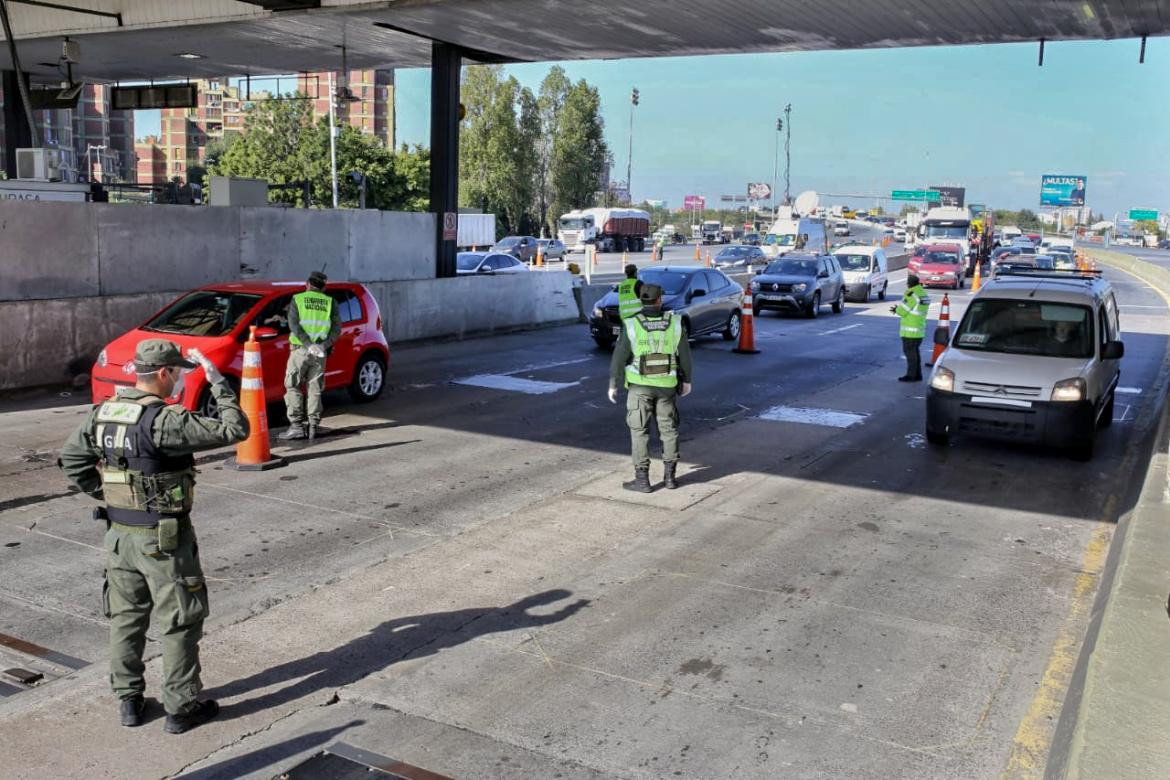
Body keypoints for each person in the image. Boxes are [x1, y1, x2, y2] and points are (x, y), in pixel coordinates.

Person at [57, 339, 249, 734]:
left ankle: (129, 701)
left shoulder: (104, 413)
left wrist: (107, 493)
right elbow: (235, 428)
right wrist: (216, 380)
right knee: (180, 619)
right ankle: (181, 708)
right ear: (164, 373)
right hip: (164, 539)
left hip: (118, 535)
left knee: (126, 619)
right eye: (177, 373)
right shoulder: (164, 420)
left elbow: (72, 458)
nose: (178, 380)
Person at [608, 283, 693, 493]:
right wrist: (687, 380)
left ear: (641, 301)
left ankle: (642, 480)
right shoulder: (674, 322)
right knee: (669, 430)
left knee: (639, 432)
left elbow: (619, 357)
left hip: (639, 387)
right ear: (659, 300)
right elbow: (685, 355)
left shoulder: (631, 324)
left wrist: (613, 383)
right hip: (666, 387)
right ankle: (670, 479)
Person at [280, 270, 341, 441]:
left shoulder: (297, 299)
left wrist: (308, 344)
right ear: (323, 288)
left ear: (307, 284)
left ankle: (297, 427)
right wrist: (323, 345)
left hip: (300, 350)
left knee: (293, 386)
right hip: (320, 352)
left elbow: (293, 325)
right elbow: (337, 330)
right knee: (314, 389)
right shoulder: (330, 302)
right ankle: (313, 426)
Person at [891, 273, 930, 381]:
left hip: (910, 330)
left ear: (909, 284)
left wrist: (896, 309)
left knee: (910, 353)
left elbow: (902, 310)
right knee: (915, 352)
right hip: (919, 330)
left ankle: (911, 375)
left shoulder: (911, 294)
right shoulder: (923, 293)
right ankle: (918, 375)